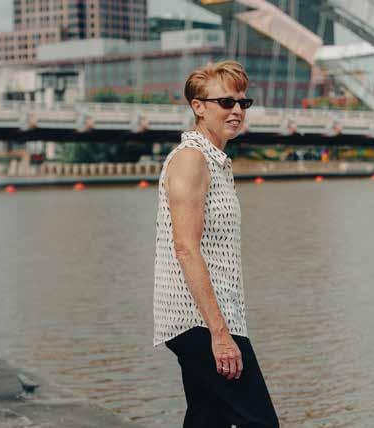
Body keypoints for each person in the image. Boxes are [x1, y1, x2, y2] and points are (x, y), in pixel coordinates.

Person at [153, 60, 279, 428]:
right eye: (226, 102)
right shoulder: (191, 160)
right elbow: (185, 248)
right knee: (260, 422)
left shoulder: (214, 161)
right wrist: (220, 335)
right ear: (198, 107)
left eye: (243, 102)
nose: (237, 110)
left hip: (210, 317)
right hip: (200, 321)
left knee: (207, 419)